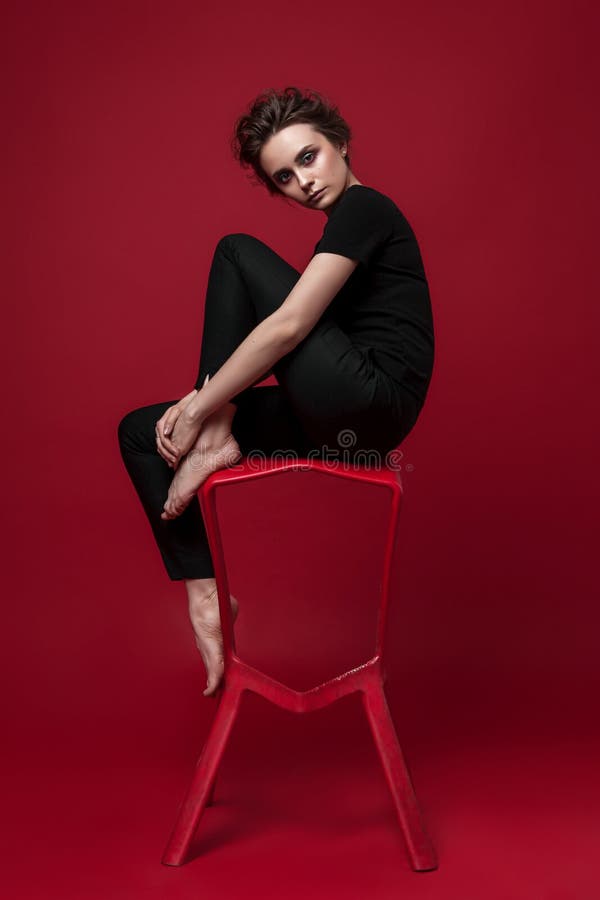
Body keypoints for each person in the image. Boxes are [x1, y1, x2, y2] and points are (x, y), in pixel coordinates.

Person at [117, 85, 435, 698]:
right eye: (284, 177)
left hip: (372, 401)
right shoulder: (339, 234)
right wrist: (199, 407)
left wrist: (202, 402)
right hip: (339, 429)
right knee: (138, 433)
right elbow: (297, 335)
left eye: (309, 158)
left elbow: (288, 328)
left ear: (339, 144)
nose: (303, 182)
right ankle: (208, 596)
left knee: (236, 253)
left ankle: (212, 436)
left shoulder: (366, 209)